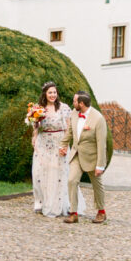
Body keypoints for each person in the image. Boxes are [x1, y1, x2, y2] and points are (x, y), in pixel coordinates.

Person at [31, 81, 81, 217]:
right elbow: (36, 126)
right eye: (50, 92)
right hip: (43, 143)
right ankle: (41, 202)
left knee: (58, 174)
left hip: (59, 143)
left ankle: (58, 204)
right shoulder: (39, 109)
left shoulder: (64, 108)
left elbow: (69, 128)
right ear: (45, 94)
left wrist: (65, 145)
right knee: (39, 172)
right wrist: (34, 137)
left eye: (54, 92)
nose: (52, 95)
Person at [59, 90, 108, 224]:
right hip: (76, 154)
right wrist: (62, 145)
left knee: (97, 185)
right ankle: (73, 213)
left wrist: (100, 165)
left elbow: (101, 144)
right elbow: (70, 132)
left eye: (75, 101)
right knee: (71, 181)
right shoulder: (74, 113)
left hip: (92, 158)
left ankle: (101, 212)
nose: (72, 103)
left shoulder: (98, 119)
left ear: (81, 103)